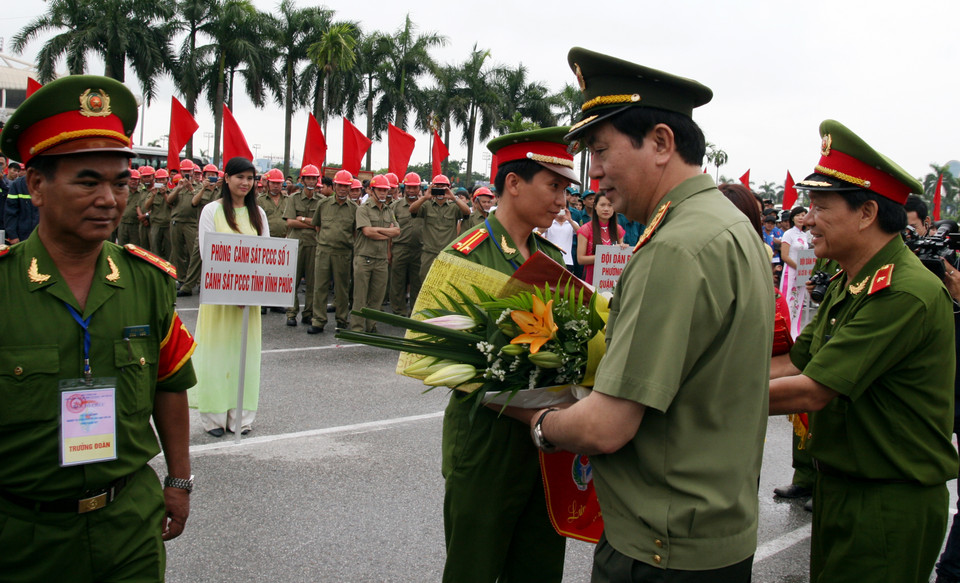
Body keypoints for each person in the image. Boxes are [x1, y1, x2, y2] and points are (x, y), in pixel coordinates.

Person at [516, 48, 772, 581]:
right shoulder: (729, 225)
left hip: (659, 549)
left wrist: (536, 421)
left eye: (602, 151)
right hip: (712, 533)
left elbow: (607, 427)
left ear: (660, 142)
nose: (597, 174)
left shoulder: (674, 249)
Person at [0, 74, 196, 581]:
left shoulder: (147, 281)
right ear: (37, 186)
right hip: (23, 533)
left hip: (129, 522)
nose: (110, 198)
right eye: (88, 181)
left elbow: (170, 385)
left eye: (120, 182)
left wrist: (179, 479)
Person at [769, 120, 956, 583]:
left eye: (820, 206)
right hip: (843, 486)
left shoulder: (902, 291)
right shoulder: (850, 278)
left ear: (867, 213)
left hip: (888, 499)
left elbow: (811, 391)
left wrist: (690, 396)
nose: (806, 219)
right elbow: (793, 362)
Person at [437, 126, 577, 583]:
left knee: (539, 566)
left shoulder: (552, 257)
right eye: (553, 186)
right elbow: (441, 359)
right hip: (487, 443)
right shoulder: (466, 257)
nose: (562, 200)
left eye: (565, 189)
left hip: (546, 445)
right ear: (513, 183)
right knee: (473, 569)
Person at [188, 157, 268, 437]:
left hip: (249, 301)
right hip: (220, 298)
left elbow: (267, 255)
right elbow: (207, 253)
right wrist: (232, 290)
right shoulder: (212, 210)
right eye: (240, 177)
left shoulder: (258, 213)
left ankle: (241, 418)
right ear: (226, 178)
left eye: (250, 178)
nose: (245, 183)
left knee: (244, 355)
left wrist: (254, 291)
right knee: (217, 354)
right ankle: (214, 418)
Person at [309, 169, 358, 333]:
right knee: (320, 286)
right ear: (335, 186)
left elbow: (355, 232)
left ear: (350, 188)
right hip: (323, 251)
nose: (343, 189)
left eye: (346, 186)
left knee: (342, 289)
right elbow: (317, 226)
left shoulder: (354, 208)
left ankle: (342, 320)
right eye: (340, 186)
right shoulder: (323, 205)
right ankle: (318, 320)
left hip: (343, 253)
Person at [351, 174, 400, 332]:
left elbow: (397, 231)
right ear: (371, 191)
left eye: (385, 190)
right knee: (360, 296)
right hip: (364, 258)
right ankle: (357, 328)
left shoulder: (388, 210)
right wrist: (387, 233)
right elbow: (367, 232)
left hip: (381, 260)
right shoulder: (362, 209)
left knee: (377, 297)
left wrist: (378, 230)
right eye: (379, 190)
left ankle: (371, 326)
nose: (383, 193)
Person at [410, 174, 470, 282]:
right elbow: (412, 210)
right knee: (425, 281)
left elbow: (467, 212)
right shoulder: (426, 205)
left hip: (447, 253)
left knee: (444, 283)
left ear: (449, 188)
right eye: (437, 187)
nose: (440, 190)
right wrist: (425, 197)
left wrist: (453, 198)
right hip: (429, 252)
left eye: (443, 187)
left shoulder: (454, 206)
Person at [282, 165, 321, 326]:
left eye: (314, 178)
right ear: (302, 180)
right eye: (308, 178)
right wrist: (311, 223)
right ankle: (291, 313)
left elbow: (321, 224)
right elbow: (290, 222)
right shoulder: (293, 198)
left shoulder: (321, 201)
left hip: (314, 244)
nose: (311, 181)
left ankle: (308, 313)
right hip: (296, 243)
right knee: (293, 280)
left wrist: (302, 219)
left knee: (313, 282)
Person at [389, 172, 425, 317]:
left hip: (419, 249)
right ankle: (398, 311)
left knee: (417, 282)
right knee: (397, 282)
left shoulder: (425, 205)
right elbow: (390, 229)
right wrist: (389, 251)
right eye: (409, 187)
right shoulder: (395, 206)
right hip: (400, 248)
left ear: (419, 188)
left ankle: (415, 312)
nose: (411, 191)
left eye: (414, 188)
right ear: (404, 187)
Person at [576, 192, 626, 285]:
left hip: (611, 279)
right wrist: (605, 257)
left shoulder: (618, 229)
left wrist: (623, 249)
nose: (606, 209)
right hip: (592, 279)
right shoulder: (586, 229)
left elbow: (619, 257)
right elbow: (580, 259)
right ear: (595, 206)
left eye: (610, 205)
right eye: (602, 205)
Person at [779, 206, 810, 338]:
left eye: (804, 215)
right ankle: (784, 333)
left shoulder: (804, 235)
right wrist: (799, 267)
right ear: (793, 217)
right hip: (790, 273)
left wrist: (805, 269)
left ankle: (795, 333)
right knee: (789, 302)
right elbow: (784, 256)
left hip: (801, 274)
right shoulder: (788, 234)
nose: (801, 217)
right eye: (798, 215)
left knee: (798, 303)